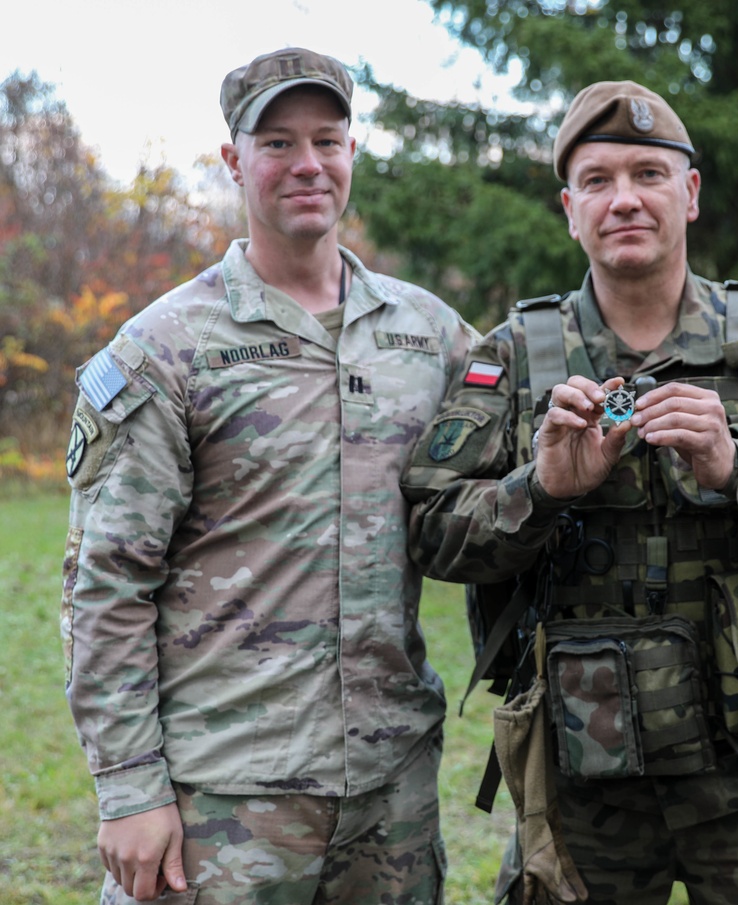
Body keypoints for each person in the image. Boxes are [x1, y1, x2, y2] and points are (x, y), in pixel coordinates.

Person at [401, 80, 738, 905]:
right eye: (599, 180)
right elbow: (429, 527)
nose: (625, 199)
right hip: (583, 786)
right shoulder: (518, 355)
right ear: (570, 208)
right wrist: (539, 489)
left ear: (690, 192)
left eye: (649, 173)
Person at [61, 47, 476, 904]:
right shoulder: (166, 347)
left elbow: (511, 483)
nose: (307, 164)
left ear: (353, 152)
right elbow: (105, 581)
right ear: (234, 160)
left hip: (389, 794)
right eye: (278, 142)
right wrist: (130, 786)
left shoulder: (427, 334)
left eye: (327, 140)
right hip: (225, 802)